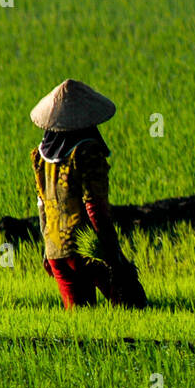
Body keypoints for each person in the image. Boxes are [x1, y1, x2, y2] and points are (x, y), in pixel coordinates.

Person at [29, 79, 146, 309]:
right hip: (87, 249)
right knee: (132, 304)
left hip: (56, 251)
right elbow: (95, 210)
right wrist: (116, 258)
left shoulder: (42, 156)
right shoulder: (88, 152)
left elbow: (41, 205)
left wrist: (47, 251)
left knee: (81, 323)